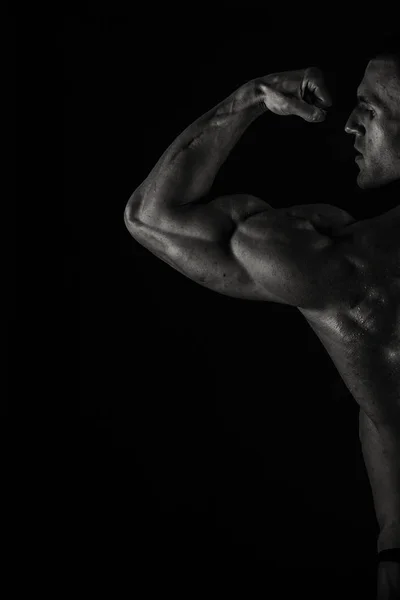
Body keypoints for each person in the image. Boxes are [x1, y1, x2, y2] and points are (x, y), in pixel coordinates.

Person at [124, 33, 400, 598]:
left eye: (370, 109)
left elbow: (151, 216)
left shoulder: (341, 264)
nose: (350, 125)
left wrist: (249, 99)